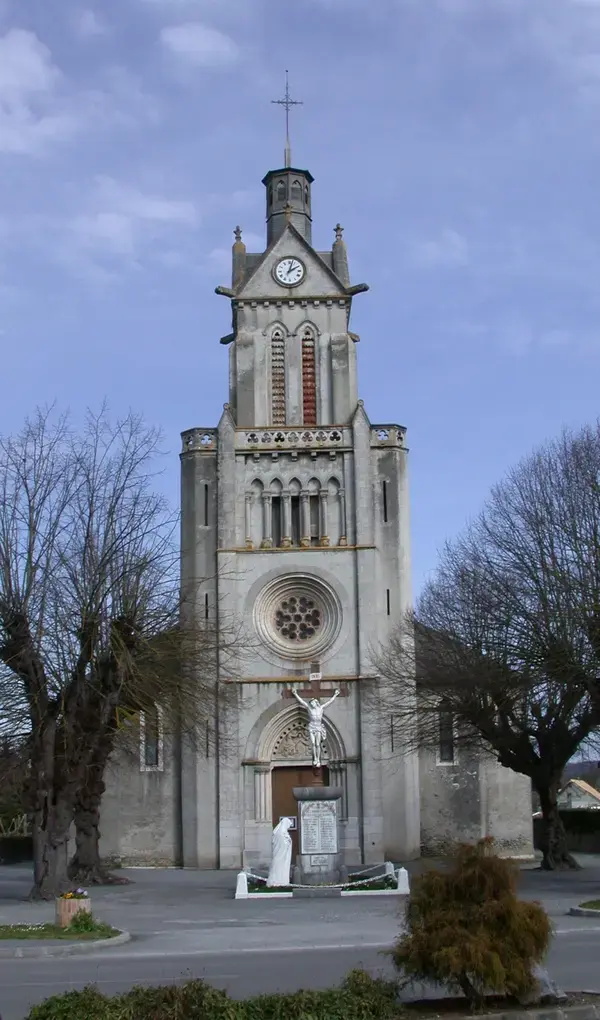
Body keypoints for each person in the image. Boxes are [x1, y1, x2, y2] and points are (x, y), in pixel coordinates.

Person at [292, 688, 340, 767]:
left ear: (316, 703)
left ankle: (318, 759)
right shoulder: (309, 708)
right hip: (312, 726)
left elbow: (329, 702)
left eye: (313, 703)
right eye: (311, 703)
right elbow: (302, 702)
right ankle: (315, 759)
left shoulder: (320, 708)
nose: (312, 704)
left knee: (318, 744)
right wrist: (295, 694)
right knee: (313, 743)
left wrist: (335, 695)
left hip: (318, 727)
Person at [267, 817, 293, 887]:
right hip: (280, 855)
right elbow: (282, 844)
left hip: (280, 855)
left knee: (280, 868)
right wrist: (288, 841)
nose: (288, 827)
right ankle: (279, 882)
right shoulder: (281, 833)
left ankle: (281, 881)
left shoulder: (280, 832)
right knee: (278, 868)